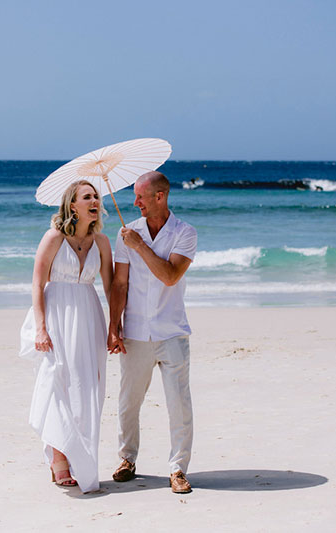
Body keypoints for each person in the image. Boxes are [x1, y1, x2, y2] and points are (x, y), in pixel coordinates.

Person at [19, 180, 114, 493]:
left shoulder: (101, 241)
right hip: (58, 313)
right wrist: (41, 327)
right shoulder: (54, 237)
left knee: (89, 388)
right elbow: (36, 282)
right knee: (60, 382)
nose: (94, 200)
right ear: (72, 205)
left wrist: (116, 325)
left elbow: (112, 287)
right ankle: (59, 459)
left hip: (89, 314)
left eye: (96, 196)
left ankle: (80, 456)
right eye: (87, 196)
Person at [107, 171, 197, 494]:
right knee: (128, 401)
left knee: (178, 403)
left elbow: (170, 276)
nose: (135, 203)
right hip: (134, 332)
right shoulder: (126, 233)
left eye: (140, 197)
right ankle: (127, 459)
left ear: (160, 197)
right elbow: (120, 284)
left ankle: (177, 469)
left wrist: (141, 246)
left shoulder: (185, 233)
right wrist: (113, 326)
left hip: (171, 332)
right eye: (134, 197)